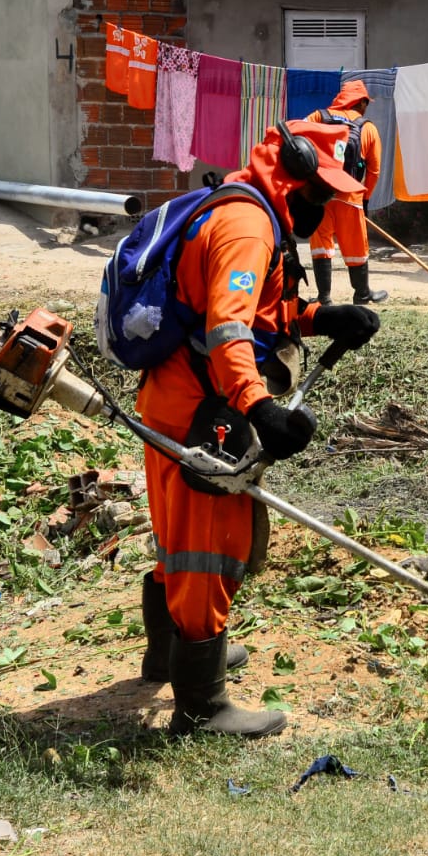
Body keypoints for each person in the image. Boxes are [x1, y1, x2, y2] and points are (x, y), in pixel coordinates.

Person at [137, 119, 382, 737]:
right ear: (290, 173)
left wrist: (326, 316)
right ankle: (201, 705)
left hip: (173, 396)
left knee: (176, 539)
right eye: (320, 194)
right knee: (206, 549)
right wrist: (259, 407)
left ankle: (170, 656)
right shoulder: (249, 226)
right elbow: (228, 327)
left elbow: (264, 312)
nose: (323, 207)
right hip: (202, 407)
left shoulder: (248, 209)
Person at [305, 80, 387, 305]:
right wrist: (366, 198)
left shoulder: (318, 117)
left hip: (319, 194)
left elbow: (297, 137)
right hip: (350, 195)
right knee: (356, 246)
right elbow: (374, 170)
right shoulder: (367, 127)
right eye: (366, 103)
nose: (366, 108)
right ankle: (361, 294)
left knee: (321, 244)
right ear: (360, 102)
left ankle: (324, 298)